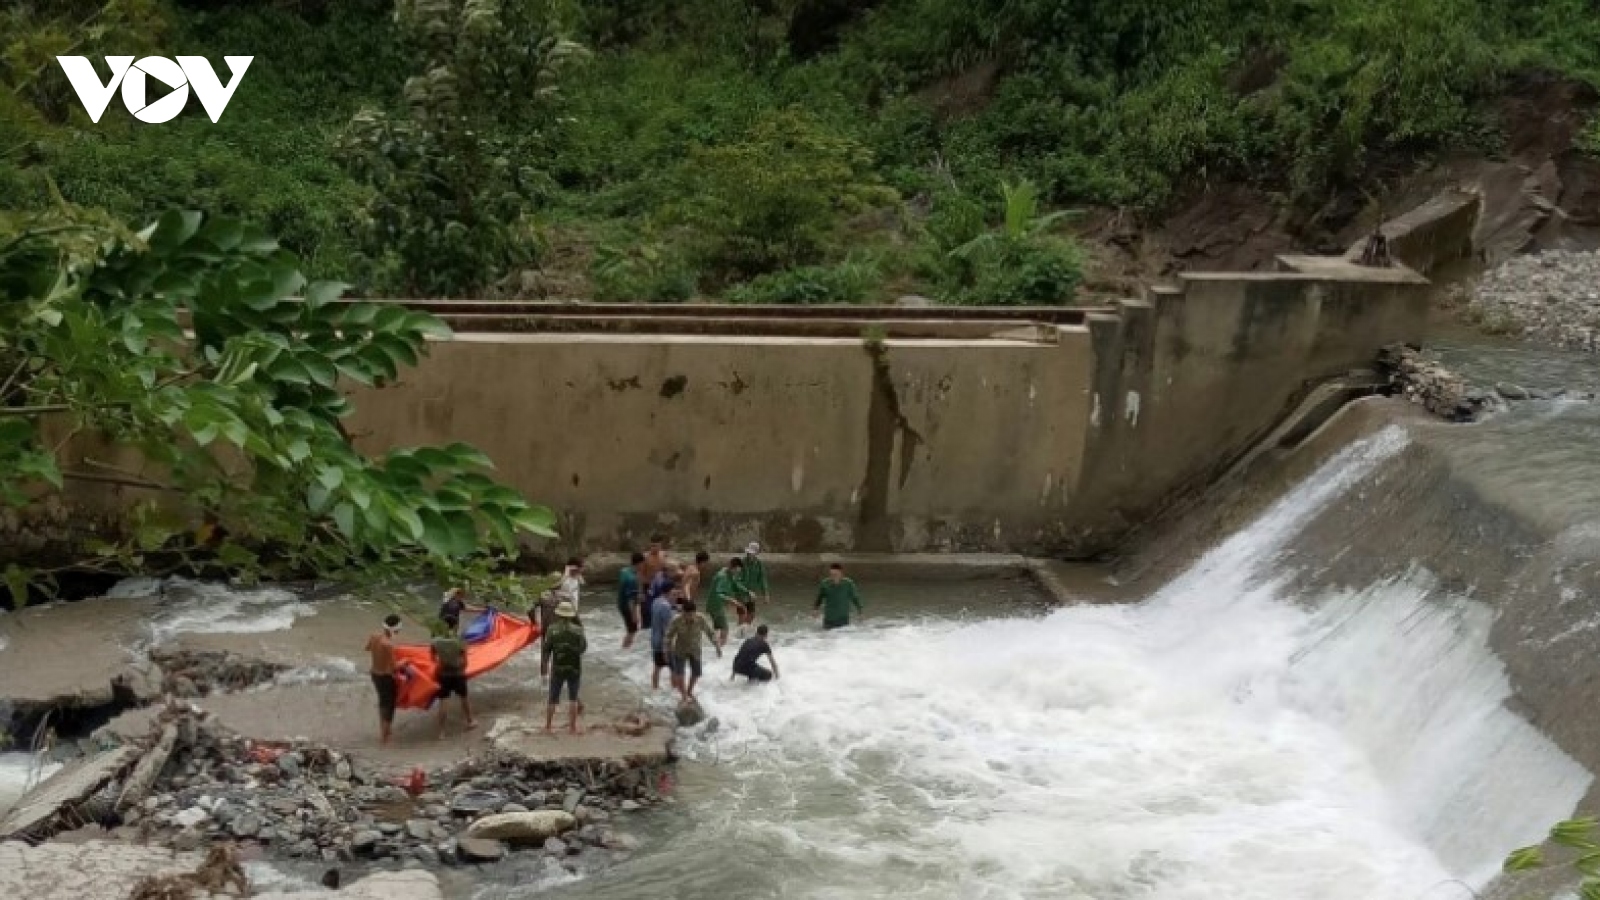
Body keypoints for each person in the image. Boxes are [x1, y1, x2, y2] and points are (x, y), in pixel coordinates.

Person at [543, 601, 587, 734]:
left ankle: (548, 726)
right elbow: (583, 648)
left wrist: (545, 664)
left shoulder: (552, 629)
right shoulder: (578, 630)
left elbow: (547, 649)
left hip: (558, 668)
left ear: (559, 614)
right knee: (573, 698)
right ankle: (572, 728)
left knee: (552, 698)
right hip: (574, 668)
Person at [665, 599, 721, 702]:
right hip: (680, 649)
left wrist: (717, 646)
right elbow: (668, 636)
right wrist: (667, 650)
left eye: (692, 614)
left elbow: (710, 633)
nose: (689, 617)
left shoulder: (700, 619)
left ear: (695, 612)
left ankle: (689, 691)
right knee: (680, 673)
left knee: (697, 673)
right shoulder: (676, 620)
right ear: (683, 612)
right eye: (687, 614)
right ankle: (684, 696)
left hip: (695, 649)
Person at [430, 620, 475, 737]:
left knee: (443, 702)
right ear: (455, 626)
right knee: (464, 698)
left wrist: (441, 664)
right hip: (458, 674)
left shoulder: (436, 641)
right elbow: (465, 662)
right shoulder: (459, 641)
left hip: (444, 675)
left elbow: (432, 658)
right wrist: (461, 667)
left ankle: (441, 732)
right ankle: (470, 721)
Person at [365, 614, 402, 745]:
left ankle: (384, 731)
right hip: (386, 677)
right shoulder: (388, 644)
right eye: (398, 629)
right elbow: (395, 667)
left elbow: (367, 648)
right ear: (395, 629)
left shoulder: (374, 637)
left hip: (374, 674)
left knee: (382, 703)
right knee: (389, 706)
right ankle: (384, 738)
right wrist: (406, 661)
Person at [706, 557, 754, 646]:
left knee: (717, 628)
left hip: (715, 605)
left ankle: (714, 648)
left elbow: (736, 585)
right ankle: (720, 652)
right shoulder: (723, 576)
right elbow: (719, 594)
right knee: (725, 628)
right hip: (716, 606)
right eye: (736, 571)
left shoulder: (728, 574)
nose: (737, 573)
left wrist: (747, 591)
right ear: (733, 567)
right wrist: (733, 601)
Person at [815, 563, 863, 630]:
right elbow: (819, 598)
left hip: (843, 619)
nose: (833, 576)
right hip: (829, 619)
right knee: (826, 638)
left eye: (835, 574)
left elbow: (855, 598)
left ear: (841, 573)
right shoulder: (825, 583)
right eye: (831, 574)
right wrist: (815, 609)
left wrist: (860, 612)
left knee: (842, 638)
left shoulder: (848, 584)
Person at [648, 586, 676, 692]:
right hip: (664, 643)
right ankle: (675, 693)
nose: (675, 597)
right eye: (674, 594)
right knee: (674, 669)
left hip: (654, 640)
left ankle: (654, 690)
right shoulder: (666, 606)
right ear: (668, 592)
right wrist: (667, 648)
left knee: (657, 667)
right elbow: (667, 630)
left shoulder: (655, 602)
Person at [740, 542, 771, 627]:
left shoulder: (759, 564)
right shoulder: (741, 563)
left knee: (752, 615)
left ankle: (744, 632)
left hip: (751, 595)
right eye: (749, 553)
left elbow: (762, 579)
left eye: (752, 553)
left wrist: (766, 594)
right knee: (742, 615)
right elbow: (737, 580)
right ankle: (738, 637)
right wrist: (746, 591)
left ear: (756, 553)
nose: (750, 555)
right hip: (741, 593)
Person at [618, 551, 645, 648]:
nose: (643, 566)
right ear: (640, 563)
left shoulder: (625, 571)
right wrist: (634, 615)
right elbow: (631, 600)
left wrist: (639, 592)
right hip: (627, 606)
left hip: (621, 603)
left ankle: (625, 647)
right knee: (632, 630)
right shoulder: (631, 579)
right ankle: (625, 650)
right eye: (643, 564)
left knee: (631, 629)